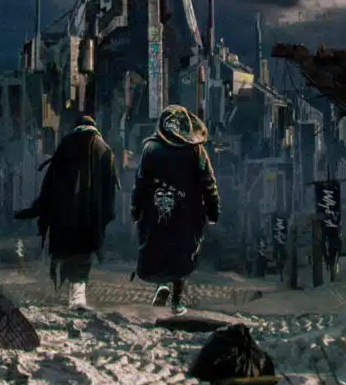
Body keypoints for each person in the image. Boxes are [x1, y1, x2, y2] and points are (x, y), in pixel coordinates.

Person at [15, 114, 119, 309]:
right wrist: (106, 215)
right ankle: (77, 297)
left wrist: (37, 209)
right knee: (83, 255)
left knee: (69, 253)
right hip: (89, 215)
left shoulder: (65, 146)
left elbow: (49, 185)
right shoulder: (103, 148)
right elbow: (110, 189)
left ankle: (75, 295)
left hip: (63, 215)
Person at [131, 104, 220, 316]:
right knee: (183, 253)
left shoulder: (150, 148)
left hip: (156, 212)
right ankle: (177, 301)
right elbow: (208, 182)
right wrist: (213, 209)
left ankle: (162, 285)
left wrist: (136, 208)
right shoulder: (196, 150)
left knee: (158, 248)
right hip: (187, 214)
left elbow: (140, 182)